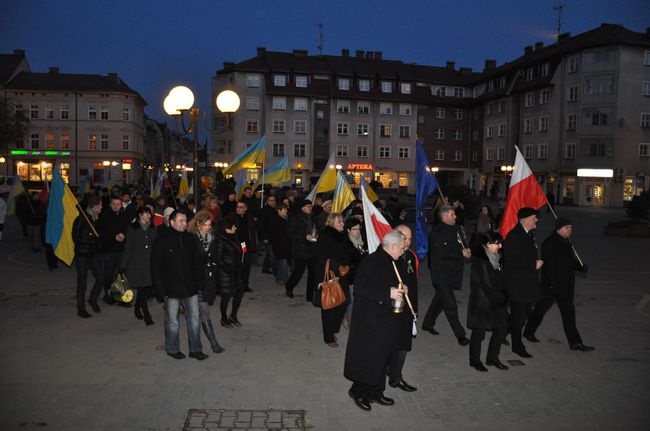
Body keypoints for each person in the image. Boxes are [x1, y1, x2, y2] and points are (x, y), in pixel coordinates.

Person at [344, 229, 407, 411]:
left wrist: (403, 290)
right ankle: (358, 391)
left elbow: (395, 282)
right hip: (370, 320)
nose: (403, 250)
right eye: (402, 248)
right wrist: (389, 292)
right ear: (393, 246)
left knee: (383, 357)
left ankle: (376, 392)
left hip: (387, 318)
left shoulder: (394, 261)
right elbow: (361, 288)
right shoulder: (371, 261)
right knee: (368, 358)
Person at [523, 217, 594, 352]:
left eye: (571, 227)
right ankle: (528, 331)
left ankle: (575, 343)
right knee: (540, 310)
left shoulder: (567, 242)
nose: (570, 230)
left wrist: (580, 267)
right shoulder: (549, 244)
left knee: (569, 315)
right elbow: (549, 267)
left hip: (565, 287)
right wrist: (554, 286)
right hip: (551, 286)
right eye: (567, 227)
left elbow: (569, 262)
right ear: (559, 228)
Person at [151, 210, 208, 360]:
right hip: (171, 289)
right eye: (181, 221)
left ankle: (195, 349)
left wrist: (200, 283)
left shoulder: (190, 238)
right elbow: (156, 267)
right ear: (172, 222)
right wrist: (160, 290)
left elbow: (198, 262)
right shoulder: (161, 240)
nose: (185, 223)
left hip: (191, 288)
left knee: (195, 320)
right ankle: (172, 348)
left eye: (185, 220)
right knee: (172, 322)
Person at [422, 205, 471, 346]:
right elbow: (441, 254)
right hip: (441, 273)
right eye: (452, 215)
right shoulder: (436, 233)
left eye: (454, 214)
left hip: (454, 272)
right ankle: (460, 335)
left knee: (439, 299)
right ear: (444, 217)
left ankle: (427, 323)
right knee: (450, 304)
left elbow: (462, 245)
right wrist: (460, 254)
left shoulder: (457, 229)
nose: (455, 217)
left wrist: (466, 252)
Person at [502, 207, 543, 358]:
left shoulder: (529, 234)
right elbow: (511, 262)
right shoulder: (514, 236)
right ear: (524, 220)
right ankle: (517, 346)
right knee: (519, 317)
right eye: (534, 217)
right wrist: (533, 265)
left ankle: (501, 332)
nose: (536, 220)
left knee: (524, 313)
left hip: (527, 284)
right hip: (517, 285)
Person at [467, 231, 509, 372]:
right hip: (482, 303)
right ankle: (474, 360)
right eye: (497, 243)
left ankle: (492, 358)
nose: (500, 246)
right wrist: (502, 298)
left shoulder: (496, 257)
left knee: (502, 328)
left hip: (496, 300)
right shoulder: (480, 261)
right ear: (487, 244)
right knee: (479, 333)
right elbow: (487, 285)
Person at [188, 210, 225, 353]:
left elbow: (215, 255)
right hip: (195, 281)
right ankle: (212, 343)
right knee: (203, 312)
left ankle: (204, 345)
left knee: (201, 312)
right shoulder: (191, 239)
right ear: (198, 224)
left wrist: (214, 264)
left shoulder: (213, 238)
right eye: (205, 225)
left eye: (210, 225)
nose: (208, 227)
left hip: (208, 280)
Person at [388, 225, 418, 392]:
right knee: (392, 344)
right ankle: (391, 372)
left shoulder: (411, 256)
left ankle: (396, 377)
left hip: (407, 308)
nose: (408, 242)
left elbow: (413, 285)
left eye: (410, 238)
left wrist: (415, 309)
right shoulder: (389, 258)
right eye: (404, 238)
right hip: (391, 308)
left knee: (403, 345)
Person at [313, 213, 350, 347]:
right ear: (331, 223)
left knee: (343, 302)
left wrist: (347, 266)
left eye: (342, 221)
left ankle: (333, 328)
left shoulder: (343, 236)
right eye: (338, 222)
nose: (342, 224)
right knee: (329, 306)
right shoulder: (325, 236)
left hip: (343, 275)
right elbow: (321, 257)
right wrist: (338, 266)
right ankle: (328, 337)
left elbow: (347, 254)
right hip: (329, 275)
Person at [120, 206, 157, 325]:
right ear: (140, 215)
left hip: (148, 263)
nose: (149, 216)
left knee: (144, 289)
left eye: (150, 214)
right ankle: (147, 315)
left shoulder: (153, 228)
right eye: (146, 214)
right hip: (135, 264)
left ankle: (137, 308)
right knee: (141, 287)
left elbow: (156, 246)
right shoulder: (132, 228)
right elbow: (127, 247)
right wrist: (123, 265)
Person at [72, 195, 103, 318]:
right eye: (100, 205)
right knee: (82, 283)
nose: (102, 207)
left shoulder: (97, 218)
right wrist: (91, 239)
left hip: (94, 254)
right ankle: (81, 308)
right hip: (83, 255)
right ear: (94, 207)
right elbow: (76, 237)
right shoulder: (81, 219)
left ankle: (93, 298)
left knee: (101, 278)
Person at [97, 196, 128, 305]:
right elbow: (101, 233)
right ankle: (108, 295)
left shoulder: (124, 216)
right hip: (109, 250)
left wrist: (124, 235)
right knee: (109, 275)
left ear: (121, 205)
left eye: (118, 204)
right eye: (113, 204)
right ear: (110, 205)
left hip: (121, 250)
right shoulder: (104, 216)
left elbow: (127, 229)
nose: (115, 206)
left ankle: (120, 297)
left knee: (120, 274)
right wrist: (113, 237)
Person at [215, 215, 244, 328]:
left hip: (235, 272)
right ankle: (224, 318)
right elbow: (218, 258)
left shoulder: (234, 238)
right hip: (225, 274)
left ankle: (233, 316)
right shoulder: (221, 240)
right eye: (233, 227)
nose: (235, 228)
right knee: (226, 296)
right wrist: (227, 268)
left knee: (239, 294)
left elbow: (241, 250)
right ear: (226, 229)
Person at [285, 199, 317, 299]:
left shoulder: (312, 217)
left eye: (311, 206)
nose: (310, 208)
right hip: (300, 249)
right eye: (308, 206)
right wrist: (304, 236)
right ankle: (289, 286)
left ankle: (310, 295)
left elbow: (316, 228)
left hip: (312, 248)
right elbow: (290, 234)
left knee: (313, 272)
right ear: (302, 208)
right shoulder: (296, 218)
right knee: (298, 272)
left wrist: (316, 234)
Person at [232, 199, 256, 292]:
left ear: (245, 208)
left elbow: (252, 231)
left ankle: (245, 284)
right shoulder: (232, 217)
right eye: (237, 207)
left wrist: (254, 244)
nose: (238, 209)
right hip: (236, 244)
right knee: (237, 265)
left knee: (246, 264)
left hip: (245, 244)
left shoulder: (249, 217)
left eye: (241, 207)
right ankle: (236, 284)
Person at [268, 203, 291, 285]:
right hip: (279, 245)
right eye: (285, 210)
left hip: (283, 245)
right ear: (279, 211)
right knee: (283, 261)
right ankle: (285, 279)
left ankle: (279, 278)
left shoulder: (283, 219)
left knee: (281, 262)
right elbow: (275, 234)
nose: (286, 211)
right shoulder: (275, 220)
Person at [258, 194, 278, 274]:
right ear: (267, 201)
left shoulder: (275, 210)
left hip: (273, 235)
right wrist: (264, 237)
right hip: (267, 236)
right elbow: (261, 225)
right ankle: (276, 272)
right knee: (271, 254)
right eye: (271, 200)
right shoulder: (264, 211)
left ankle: (265, 268)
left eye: (274, 200)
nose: (273, 202)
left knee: (270, 253)